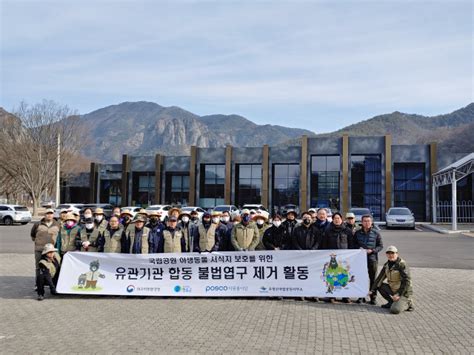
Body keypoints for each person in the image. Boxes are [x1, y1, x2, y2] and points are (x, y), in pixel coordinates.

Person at [320, 212, 356, 303]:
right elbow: (324, 244)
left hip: (344, 258)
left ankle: (345, 296)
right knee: (332, 276)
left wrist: (350, 255)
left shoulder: (347, 230)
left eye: (338, 218)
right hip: (332, 259)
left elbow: (351, 244)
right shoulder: (328, 230)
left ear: (341, 219)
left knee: (344, 276)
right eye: (335, 218)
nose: (337, 220)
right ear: (332, 219)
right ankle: (332, 295)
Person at [370, 246, 414, 314]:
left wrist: (398, 294)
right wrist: (372, 290)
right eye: (388, 253)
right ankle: (391, 302)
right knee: (379, 285)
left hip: (404, 291)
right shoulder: (386, 265)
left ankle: (408, 304)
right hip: (393, 289)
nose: (390, 255)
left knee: (395, 310)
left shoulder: (402, 264)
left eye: (392, 253)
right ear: (386, 254)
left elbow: (406, 281)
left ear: (397, 254)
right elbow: (379, 278)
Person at [354, 214, 383, 304]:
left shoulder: (376, 233)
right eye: (365, 221)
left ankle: (373, 297)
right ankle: (361, 296)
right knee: (361, 278)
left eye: (368, 221)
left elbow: (380, 246)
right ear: (362, 222)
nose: (367, 223)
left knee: (373, 279)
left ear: (371, 222)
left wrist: (373, 250)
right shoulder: (357, 233)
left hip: (372, 259)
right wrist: (359, 249)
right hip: (360, 259)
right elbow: (354, 244)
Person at [30, 208, 61, 287]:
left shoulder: (57, 224)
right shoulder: (38, 224)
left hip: (51, 250)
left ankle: (51, 283)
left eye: (51, 213)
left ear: (53, 215)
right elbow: (33, 235)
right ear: (44, 215)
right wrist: (39, 242)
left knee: (53, 266)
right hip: (39, 249)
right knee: (38, 267)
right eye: (47, 213)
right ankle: (38, 284)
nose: (49, 215)